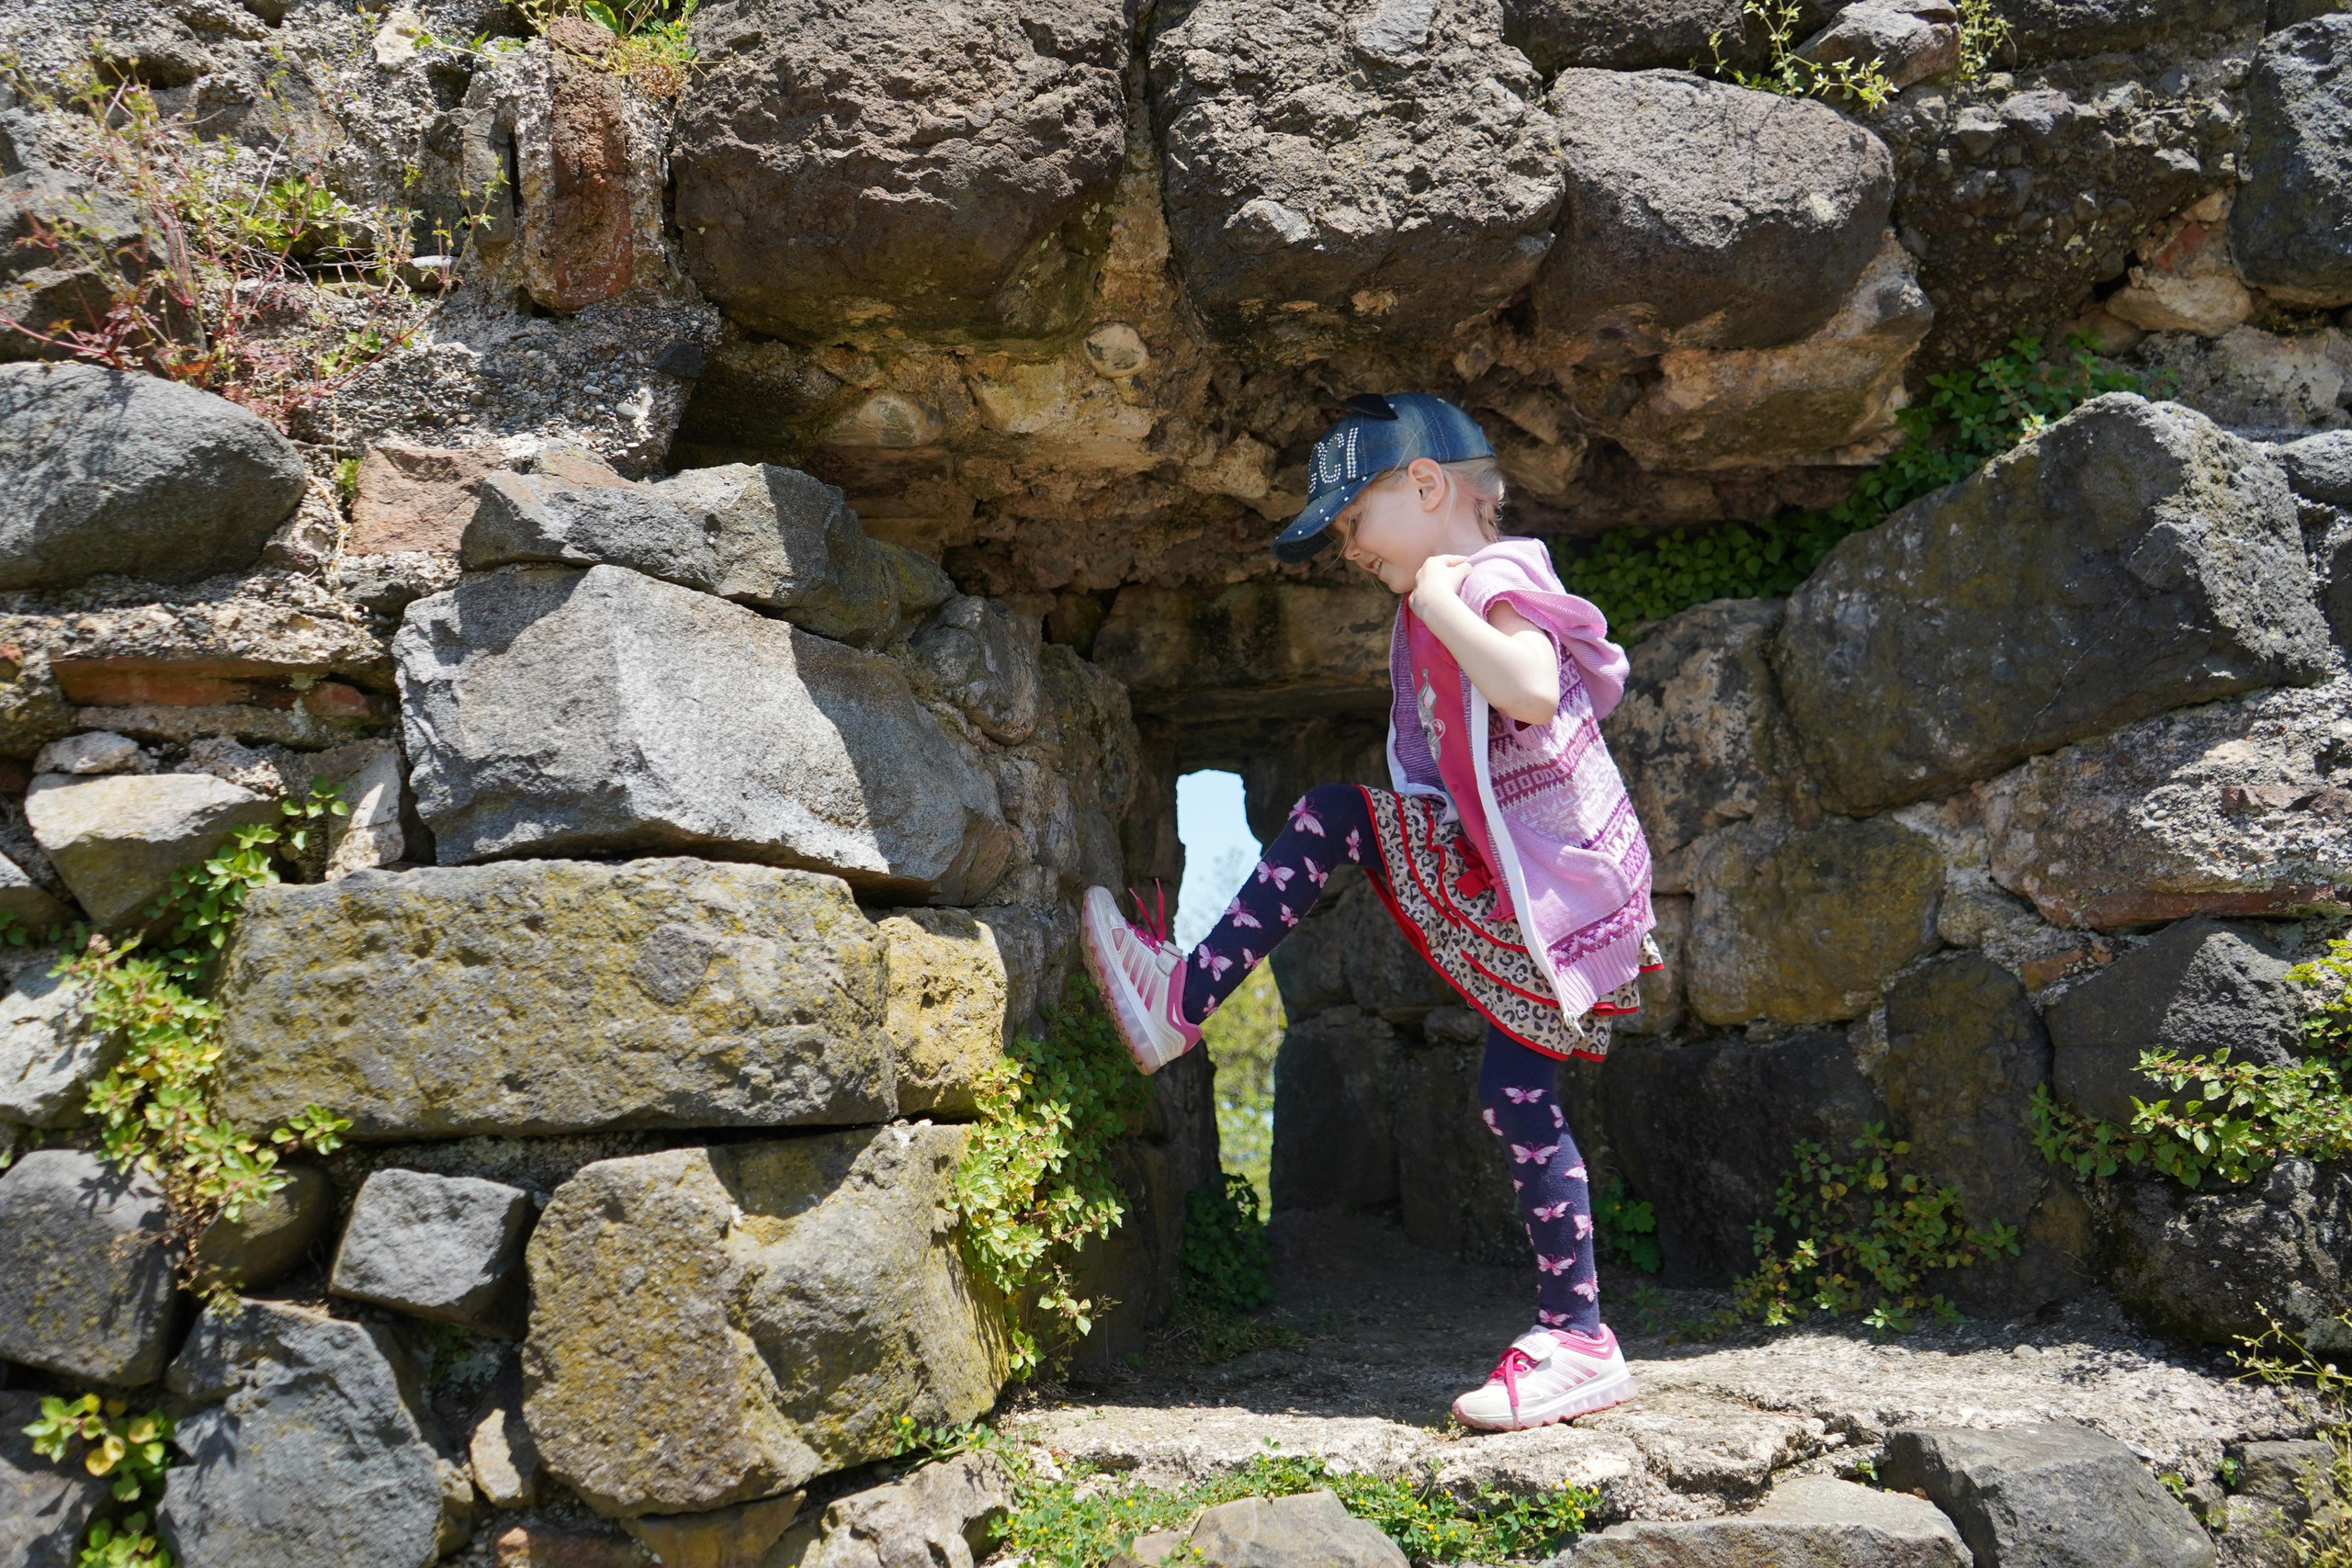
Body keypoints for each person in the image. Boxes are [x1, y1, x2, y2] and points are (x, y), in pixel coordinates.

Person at [1080, 392, 1660, 1431]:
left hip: (1555, 896)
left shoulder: (1491, 574)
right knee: (1515, 1096)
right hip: (1537, 892)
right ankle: (1581, 1337)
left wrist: (1441, 598)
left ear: (1428, 487)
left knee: (1335, 815)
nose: (1347, 546)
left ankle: (1183, 998)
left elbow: (1530, 688)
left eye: (1353, 518)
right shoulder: (1443, 594)